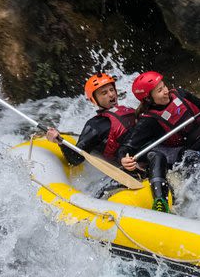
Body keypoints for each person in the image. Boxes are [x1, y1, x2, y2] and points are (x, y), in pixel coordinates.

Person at [45, 72, 171, 212]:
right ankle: (160, 201)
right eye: (103, 93)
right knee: (156, 156)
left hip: (155, 151)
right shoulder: (95, 125)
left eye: (112, 90)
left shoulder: (130, 110)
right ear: (94, 100)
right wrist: (60, 141)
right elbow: (76, 158)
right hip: (132, 166)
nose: (111, 95)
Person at [119, 71, 200, 171]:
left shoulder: (180, 94)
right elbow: (127, 146)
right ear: (148, 99)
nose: (165, 91)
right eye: (159, 90)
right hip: (193, 155)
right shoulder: (148, 121)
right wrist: (123, 159)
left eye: (164, 86)